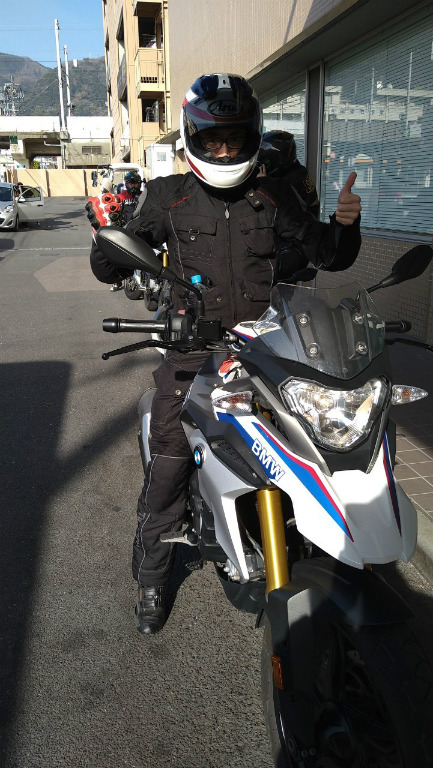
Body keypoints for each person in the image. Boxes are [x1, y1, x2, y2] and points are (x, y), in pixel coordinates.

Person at [90, 73, 362, 635]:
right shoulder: (168, 195)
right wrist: (111, 241)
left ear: (251, 137)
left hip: (267, 350)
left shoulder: (273, 194)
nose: (223, 151)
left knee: (318, 442)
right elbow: (109, 262)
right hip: (193, 353)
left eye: (233, 139)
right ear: (194, 137)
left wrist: (344, 224)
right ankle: (151, 575)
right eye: (213, 140)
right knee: (168, 460)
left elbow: (328, 254)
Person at [257, 130, 319, 282]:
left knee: (276, 286)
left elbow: (271, 208)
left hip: (291, 246)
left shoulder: (289, 180)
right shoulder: (298, 172)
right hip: (298, 243)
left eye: (265, 162)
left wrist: (264, 183)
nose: (262, 166)